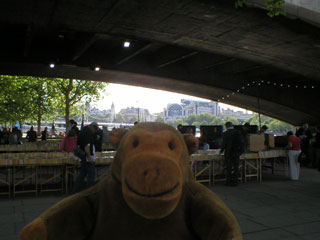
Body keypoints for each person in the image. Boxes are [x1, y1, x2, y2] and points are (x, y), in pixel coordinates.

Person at [72, 122, 99, 194]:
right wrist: (90, 157)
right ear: (92, 127)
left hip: (83, 156)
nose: (95, 131)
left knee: (82, 175)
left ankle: (75, 191)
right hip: (87, 157)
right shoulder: (88, 133)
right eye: (95, 129)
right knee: (91, 176)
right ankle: (89, 192)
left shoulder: (83, 131)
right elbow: (86, 146)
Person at [220, 122, 243, 186]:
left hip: (229, 152)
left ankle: (228, 182)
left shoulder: (225, 133)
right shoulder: (238, 132)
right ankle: (235, 182)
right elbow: (241, 142)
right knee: (236, 167)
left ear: (226, 126)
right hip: (237, 152)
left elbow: (224, 143)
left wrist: (221, 150)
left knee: (228, 168)